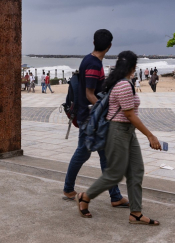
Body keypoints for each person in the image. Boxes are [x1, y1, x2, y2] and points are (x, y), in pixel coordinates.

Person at [75, 50, 161, 225]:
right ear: (133, 66)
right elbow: (129, 114)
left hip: (128, 132)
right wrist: (150, 136)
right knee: (115, 174)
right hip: (118, 131)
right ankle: (85, 197)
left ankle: (135, 213)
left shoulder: (123, 82)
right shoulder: (123, 85)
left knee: (136, 170)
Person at [62, 29, 129, 208]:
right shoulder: (93, 64)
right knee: (83, 154)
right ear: (109, 46)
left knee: (104, 156)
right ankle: (69, 188)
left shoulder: (89, 59)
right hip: (90, 118)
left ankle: (115, 196)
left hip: (90, 116)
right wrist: (106, 112)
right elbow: (90, 94)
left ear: (93, 42)